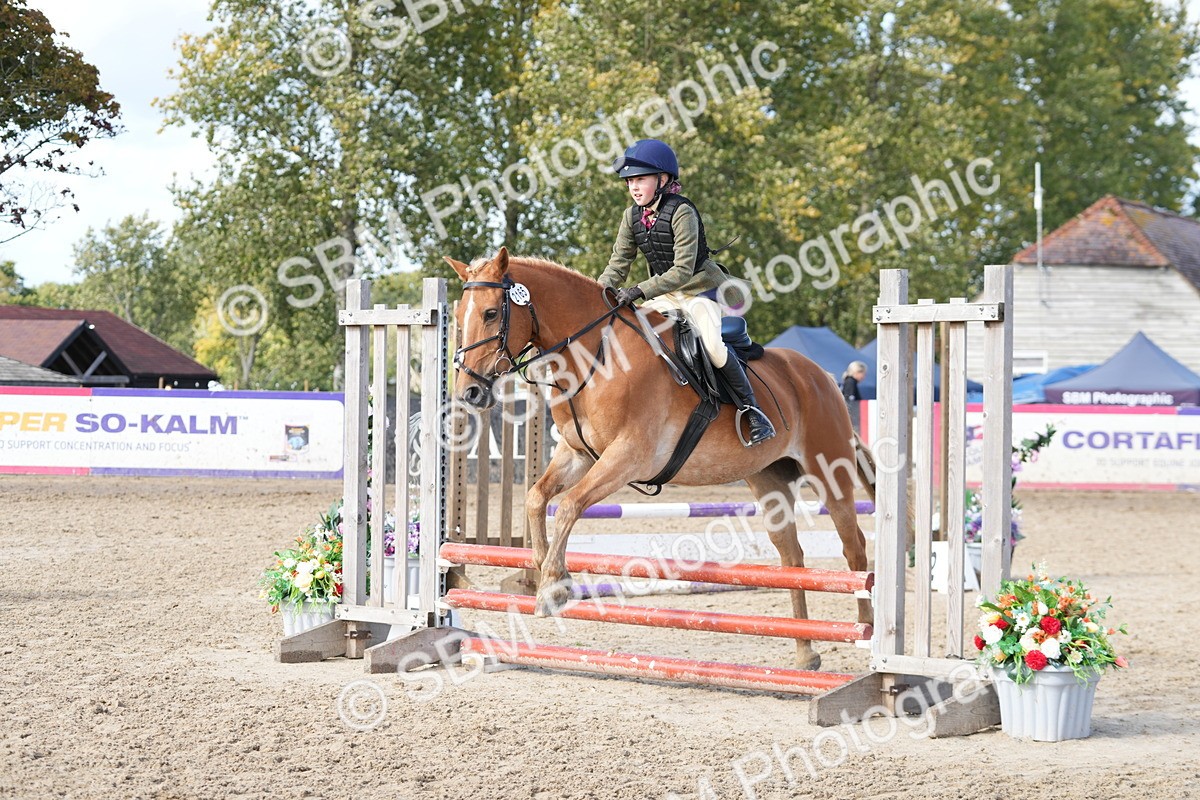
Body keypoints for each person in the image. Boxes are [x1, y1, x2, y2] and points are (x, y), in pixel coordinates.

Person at [598, 138, 775, 446]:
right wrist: (596, 295)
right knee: (633, 339)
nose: (634, 188)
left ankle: (753, 411)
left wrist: (639, 289)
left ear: (663, 179)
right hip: (664, 295)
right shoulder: (631, 218)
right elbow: (618, 265)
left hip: (699, 292)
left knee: (714, 347)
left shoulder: (682, 212)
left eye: (640, 179)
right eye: (630, 182)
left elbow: (681, 271)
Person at [841, 360, 868, 433]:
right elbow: (849, 400)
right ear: (857, 372)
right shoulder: (850, 382)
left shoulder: (849, 381)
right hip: (852, 418)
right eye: (863, 374)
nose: (864, 377)